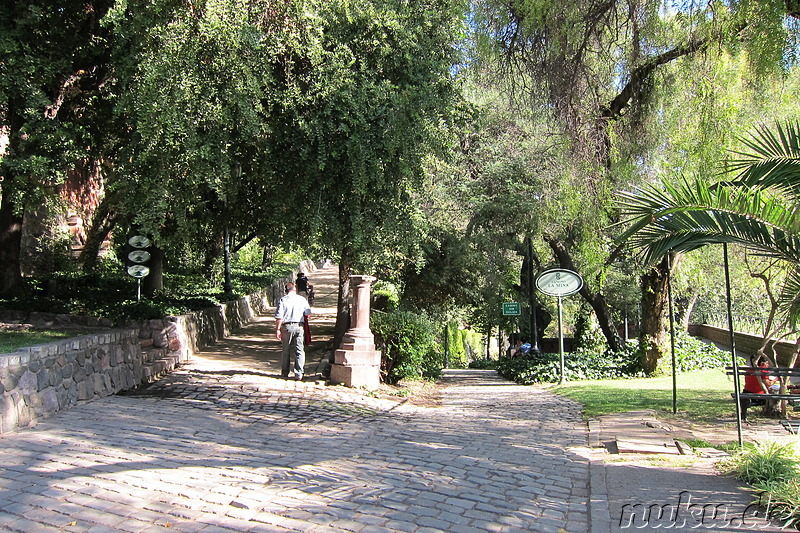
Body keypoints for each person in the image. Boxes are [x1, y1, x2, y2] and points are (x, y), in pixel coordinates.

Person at [275, 282, 312, 380]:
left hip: (287, 327)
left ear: (286, 290)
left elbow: (279, 317)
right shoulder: (302, 299)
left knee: (286, 350)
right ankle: (299, 373)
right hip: (299, 326)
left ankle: (285, 372)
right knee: (299, 350)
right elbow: (308, 313)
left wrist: (278, 329)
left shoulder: (283, 300)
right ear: (295, 290)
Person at [741, 355, 777, 420]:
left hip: (746, 391)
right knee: (775, 393)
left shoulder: (749, 370)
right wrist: (775, 379)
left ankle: (744, 411)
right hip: (758, 395)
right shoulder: (763, 370)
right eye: (767, 363)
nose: (768, 365)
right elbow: (768, 384)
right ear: (762, 363)